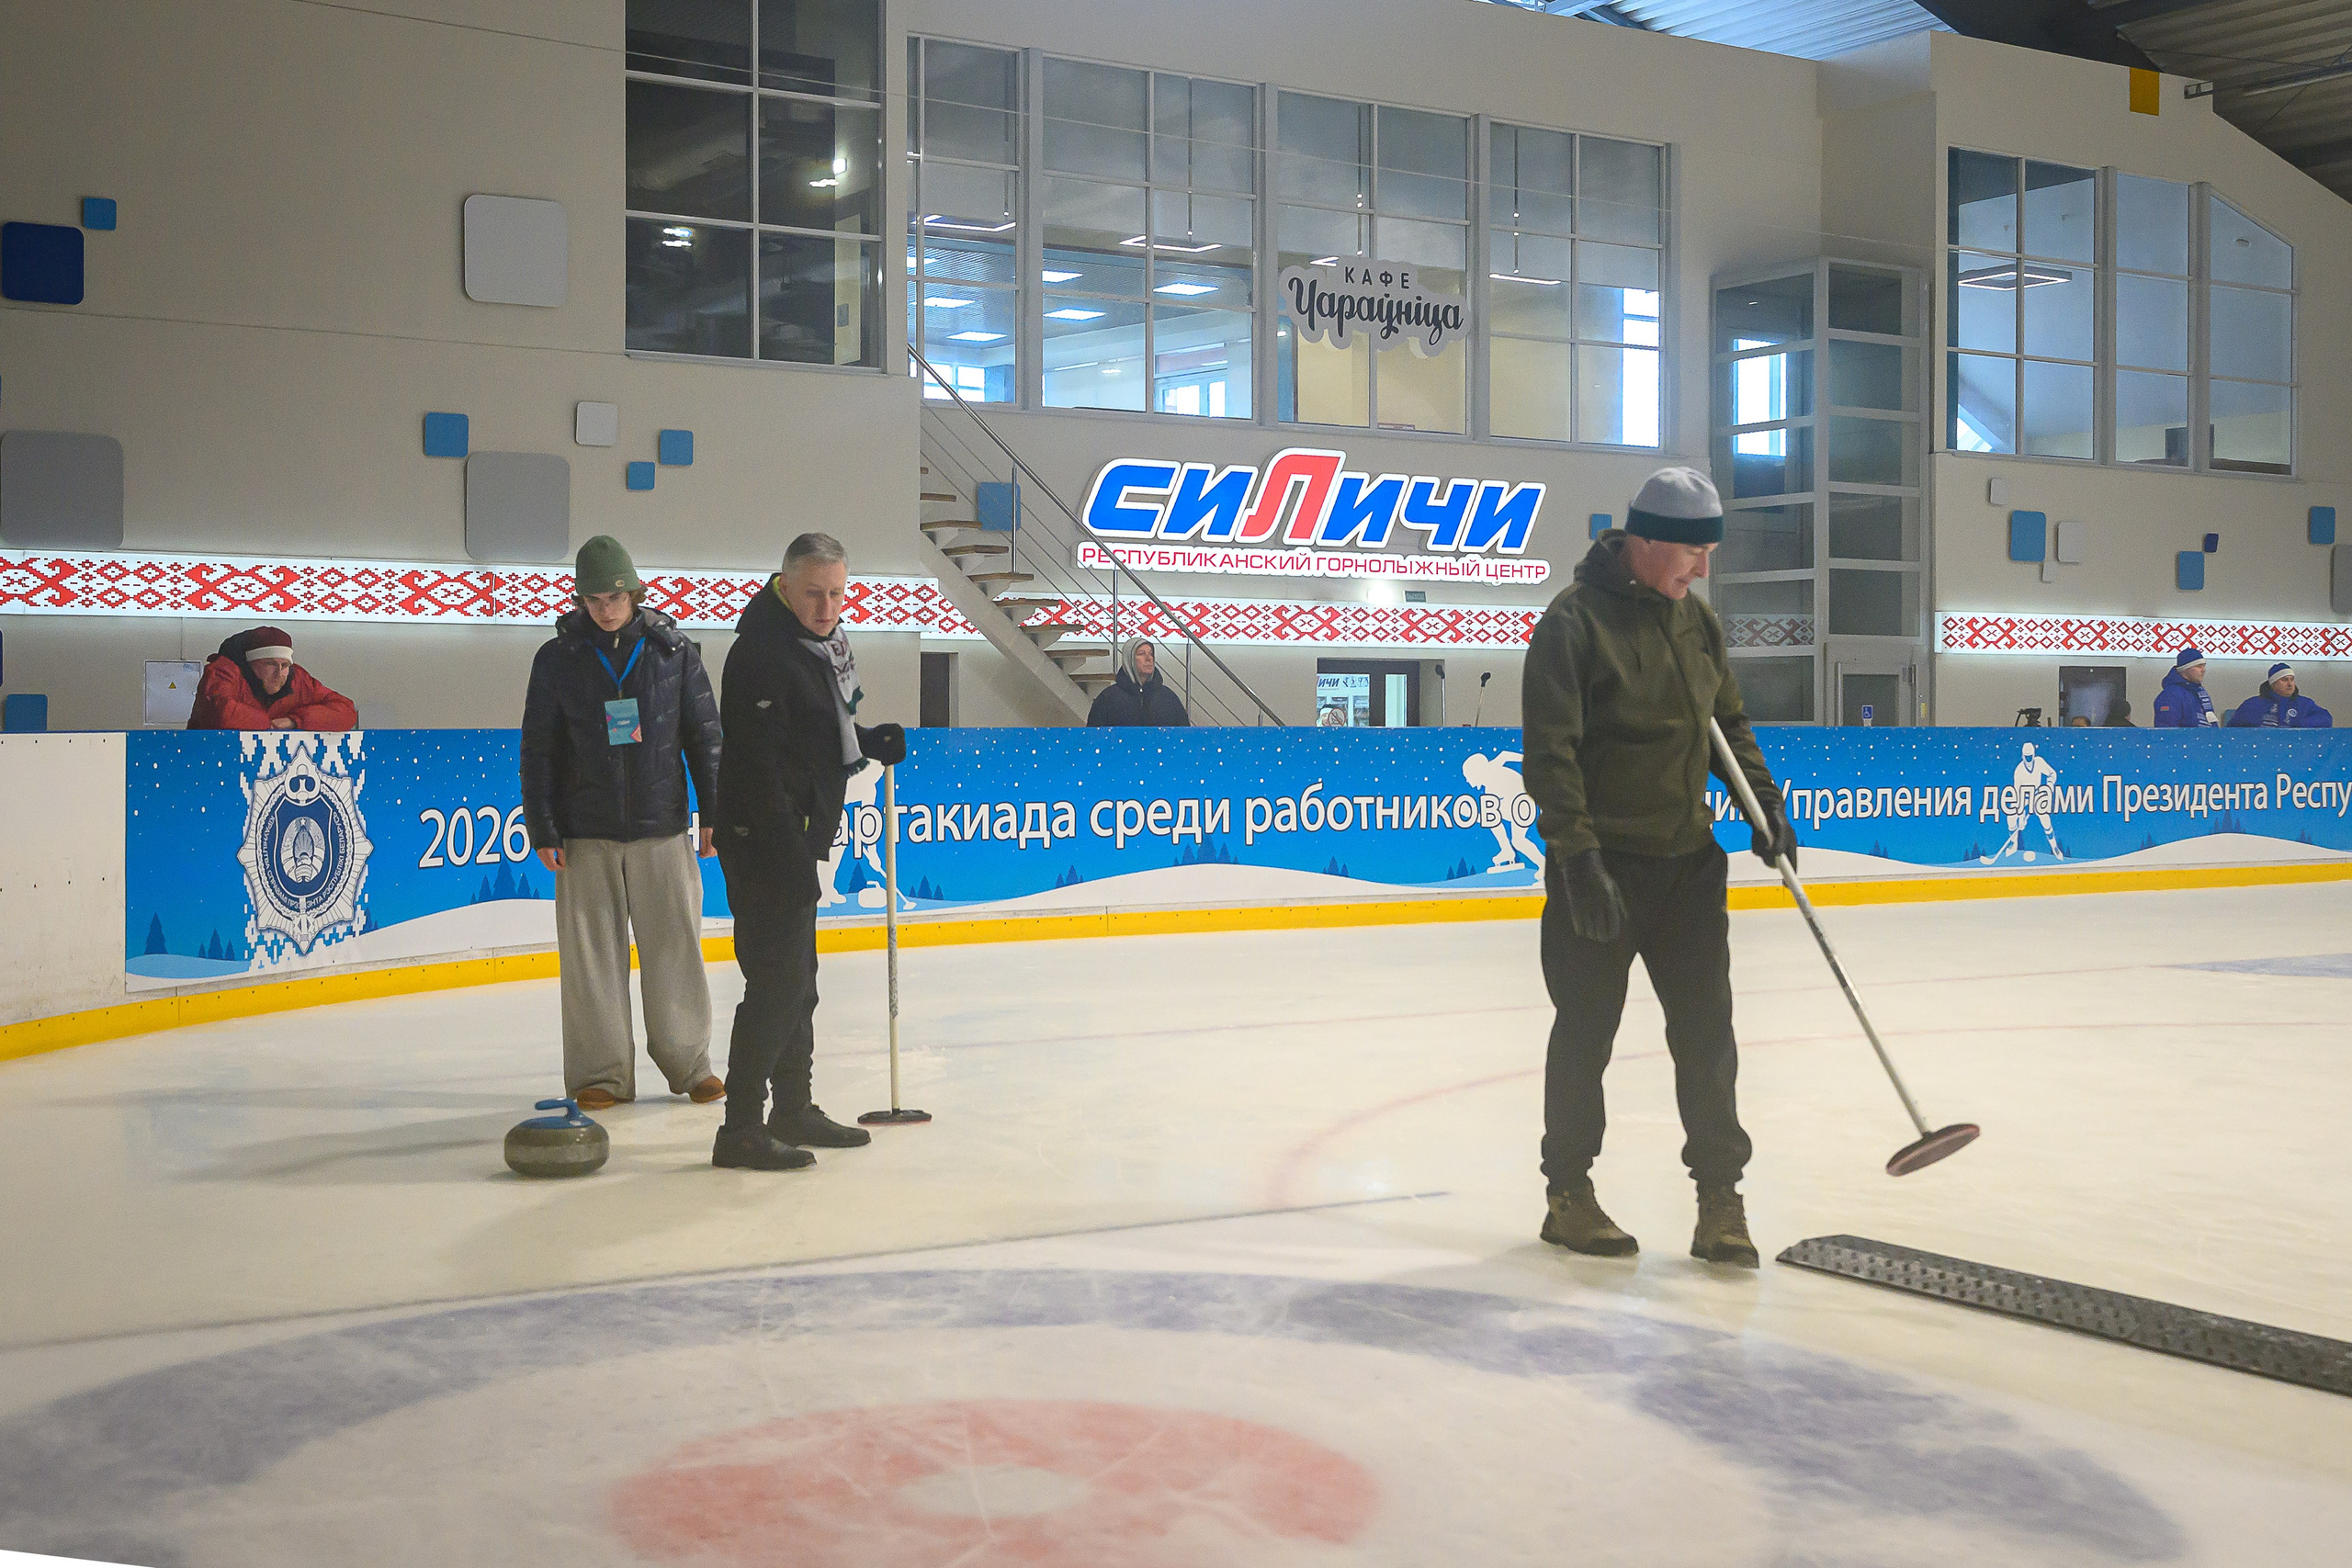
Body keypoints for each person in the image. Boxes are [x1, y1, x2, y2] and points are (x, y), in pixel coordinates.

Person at [1521, 467, 1792, 1270]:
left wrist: (1763, 806)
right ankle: (1568, 1193)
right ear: (1642, 542)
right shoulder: (1572, 626)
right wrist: (1577, 859)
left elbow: (1726, 725)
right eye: (1691, 552)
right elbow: (1551, 755)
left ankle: (1720, 1200)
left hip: (1687, 868)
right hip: (1600, 868)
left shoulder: (1695, 624)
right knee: (1586, 1032)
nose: (1702, 569)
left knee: (1708, 1037)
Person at [712, 532, 906, 1172]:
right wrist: (787, 855)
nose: (828, 607)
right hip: (765, 838)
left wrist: (869, 739)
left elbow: (817, 735)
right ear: (785, 585)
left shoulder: (821, 647)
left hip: (796, 833)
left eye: (838, 593)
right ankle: (740, 1125)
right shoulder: (760, 655)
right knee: (776, 980)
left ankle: (793, 1107)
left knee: (801, 981)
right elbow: (757, 768)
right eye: (816, 593)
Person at [521, 536, 726, 1111]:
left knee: (675, 949)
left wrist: (714, 813)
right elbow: (538, 750)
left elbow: (704, 737)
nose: (605, 608)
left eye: (614, 595)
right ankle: (601, 1074)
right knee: (589, 957)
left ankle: (691, 1064)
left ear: (634, 591)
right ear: (581, 599)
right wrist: (544, 828)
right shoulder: (555, 660)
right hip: (585, 832)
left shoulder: (674, 651)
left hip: (661, 827)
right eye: (593, 598)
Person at [186, 626, 356, 731]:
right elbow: (221, 713)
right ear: (250, 664)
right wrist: (270, 725)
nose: (280, 673)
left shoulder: (298, 679)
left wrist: (293, 721)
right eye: (270, 664)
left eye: (285, 665)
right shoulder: (223, 672)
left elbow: (346, 711)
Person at [1086, 638, 1191, 727]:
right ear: (1129, 660)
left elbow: (1184, 733)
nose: (1148, 659)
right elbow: (1094, 736)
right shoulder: (1109, 698)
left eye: (1151, 654)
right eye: (1141, 654)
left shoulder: (1168, 697)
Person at [2226, 663, 2332, 728]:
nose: (2290, 684)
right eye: (2285, 680)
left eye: (2292, 679)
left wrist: (2302, 724)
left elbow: (2326, 719)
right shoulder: (2253, 705)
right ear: (2273, 684)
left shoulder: (2304, 704)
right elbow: (2232, 730)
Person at [2151, 648, 2220, 728]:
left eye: (2204, 666)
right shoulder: (2170, 695)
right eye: (2198, 666)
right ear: (2185, 669)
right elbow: (2167, 729)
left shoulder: (2199, 693)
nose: (2203, 670)